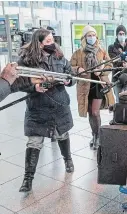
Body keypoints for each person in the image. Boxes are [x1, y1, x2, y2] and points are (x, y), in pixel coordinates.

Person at [10, 28, 76, 192]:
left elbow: (70, 75)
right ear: (38, 44)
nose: (52, 43)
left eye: (52, 39)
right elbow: (17, 83)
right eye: (47, 41)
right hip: (38, 108)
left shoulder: (59, 56)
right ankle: (28, 179)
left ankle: (68, 160)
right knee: (34, 141)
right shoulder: (26, 60)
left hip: (59, 104)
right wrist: (34, 87)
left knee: (62, 134)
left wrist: (69, 81)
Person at [71, 25, 115, 150]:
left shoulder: (101, 50)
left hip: (99, 85)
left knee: (95, 112)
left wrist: (101, 70)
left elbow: (109, 64)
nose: (92, 38)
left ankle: (99, 136)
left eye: (93, 35)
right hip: (85, 86)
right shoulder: (78, 53)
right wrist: (78, 69)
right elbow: (70, 67)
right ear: (84, 37)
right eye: (89, 35)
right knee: (90, 112)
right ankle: (94, 134)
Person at [108, 25, 127, 102]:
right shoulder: (111, 47)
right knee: (119, 99)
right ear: (117, 35)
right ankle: (118, 113)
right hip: (117, 77)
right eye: (120, 34)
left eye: (123, 34)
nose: (121, 35)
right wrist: (123, 64)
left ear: (125, 34)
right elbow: (113, 60)